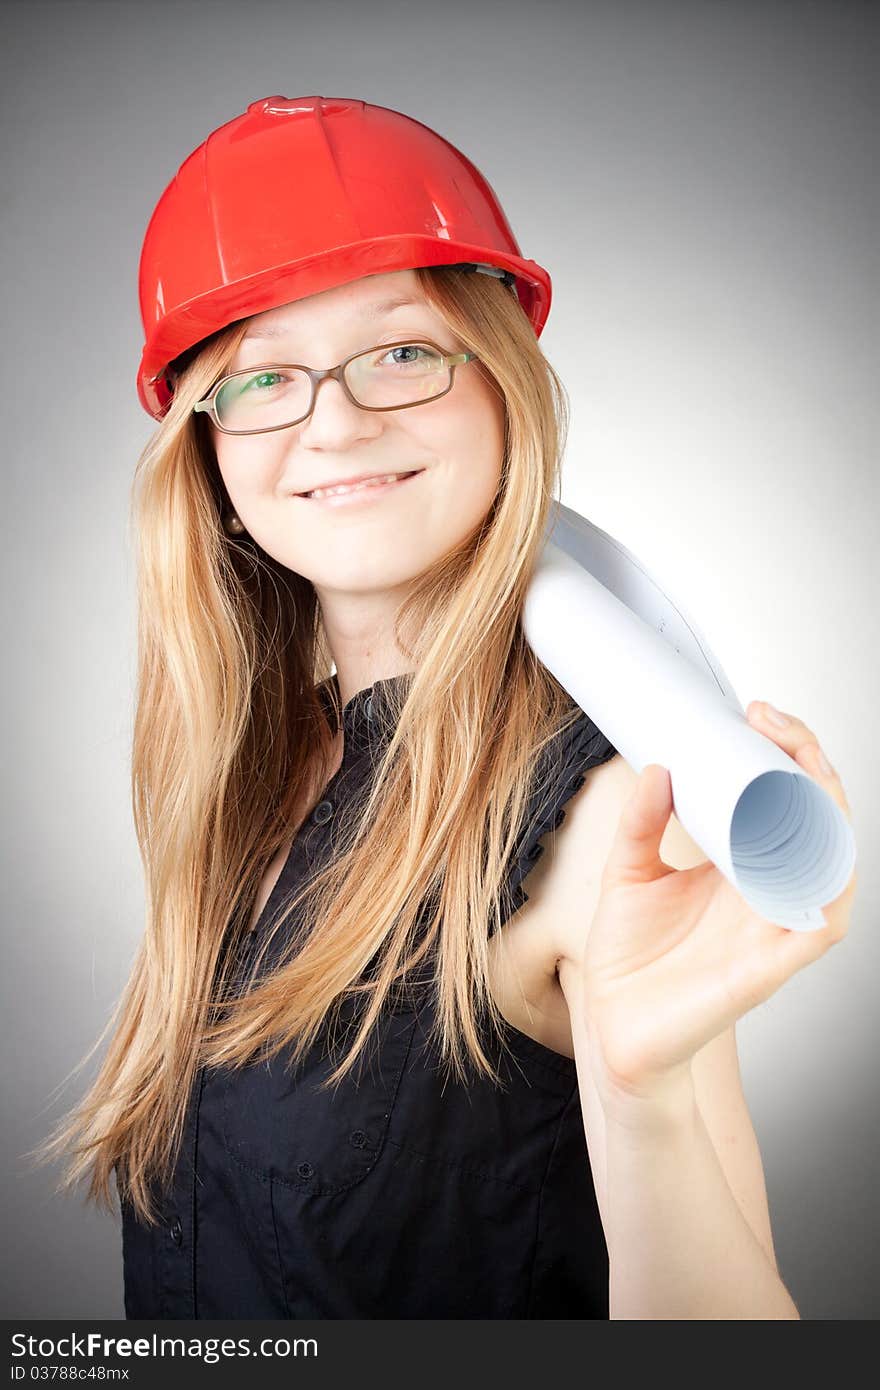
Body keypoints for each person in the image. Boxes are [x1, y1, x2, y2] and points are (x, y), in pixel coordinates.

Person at [35, 95, 855, 1320]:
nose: (336, 419)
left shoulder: (608, 821)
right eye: (261, 374)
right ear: (206, 449)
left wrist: (642, 1102)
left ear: (501, 383)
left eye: (402, 352)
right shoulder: (258, 772)